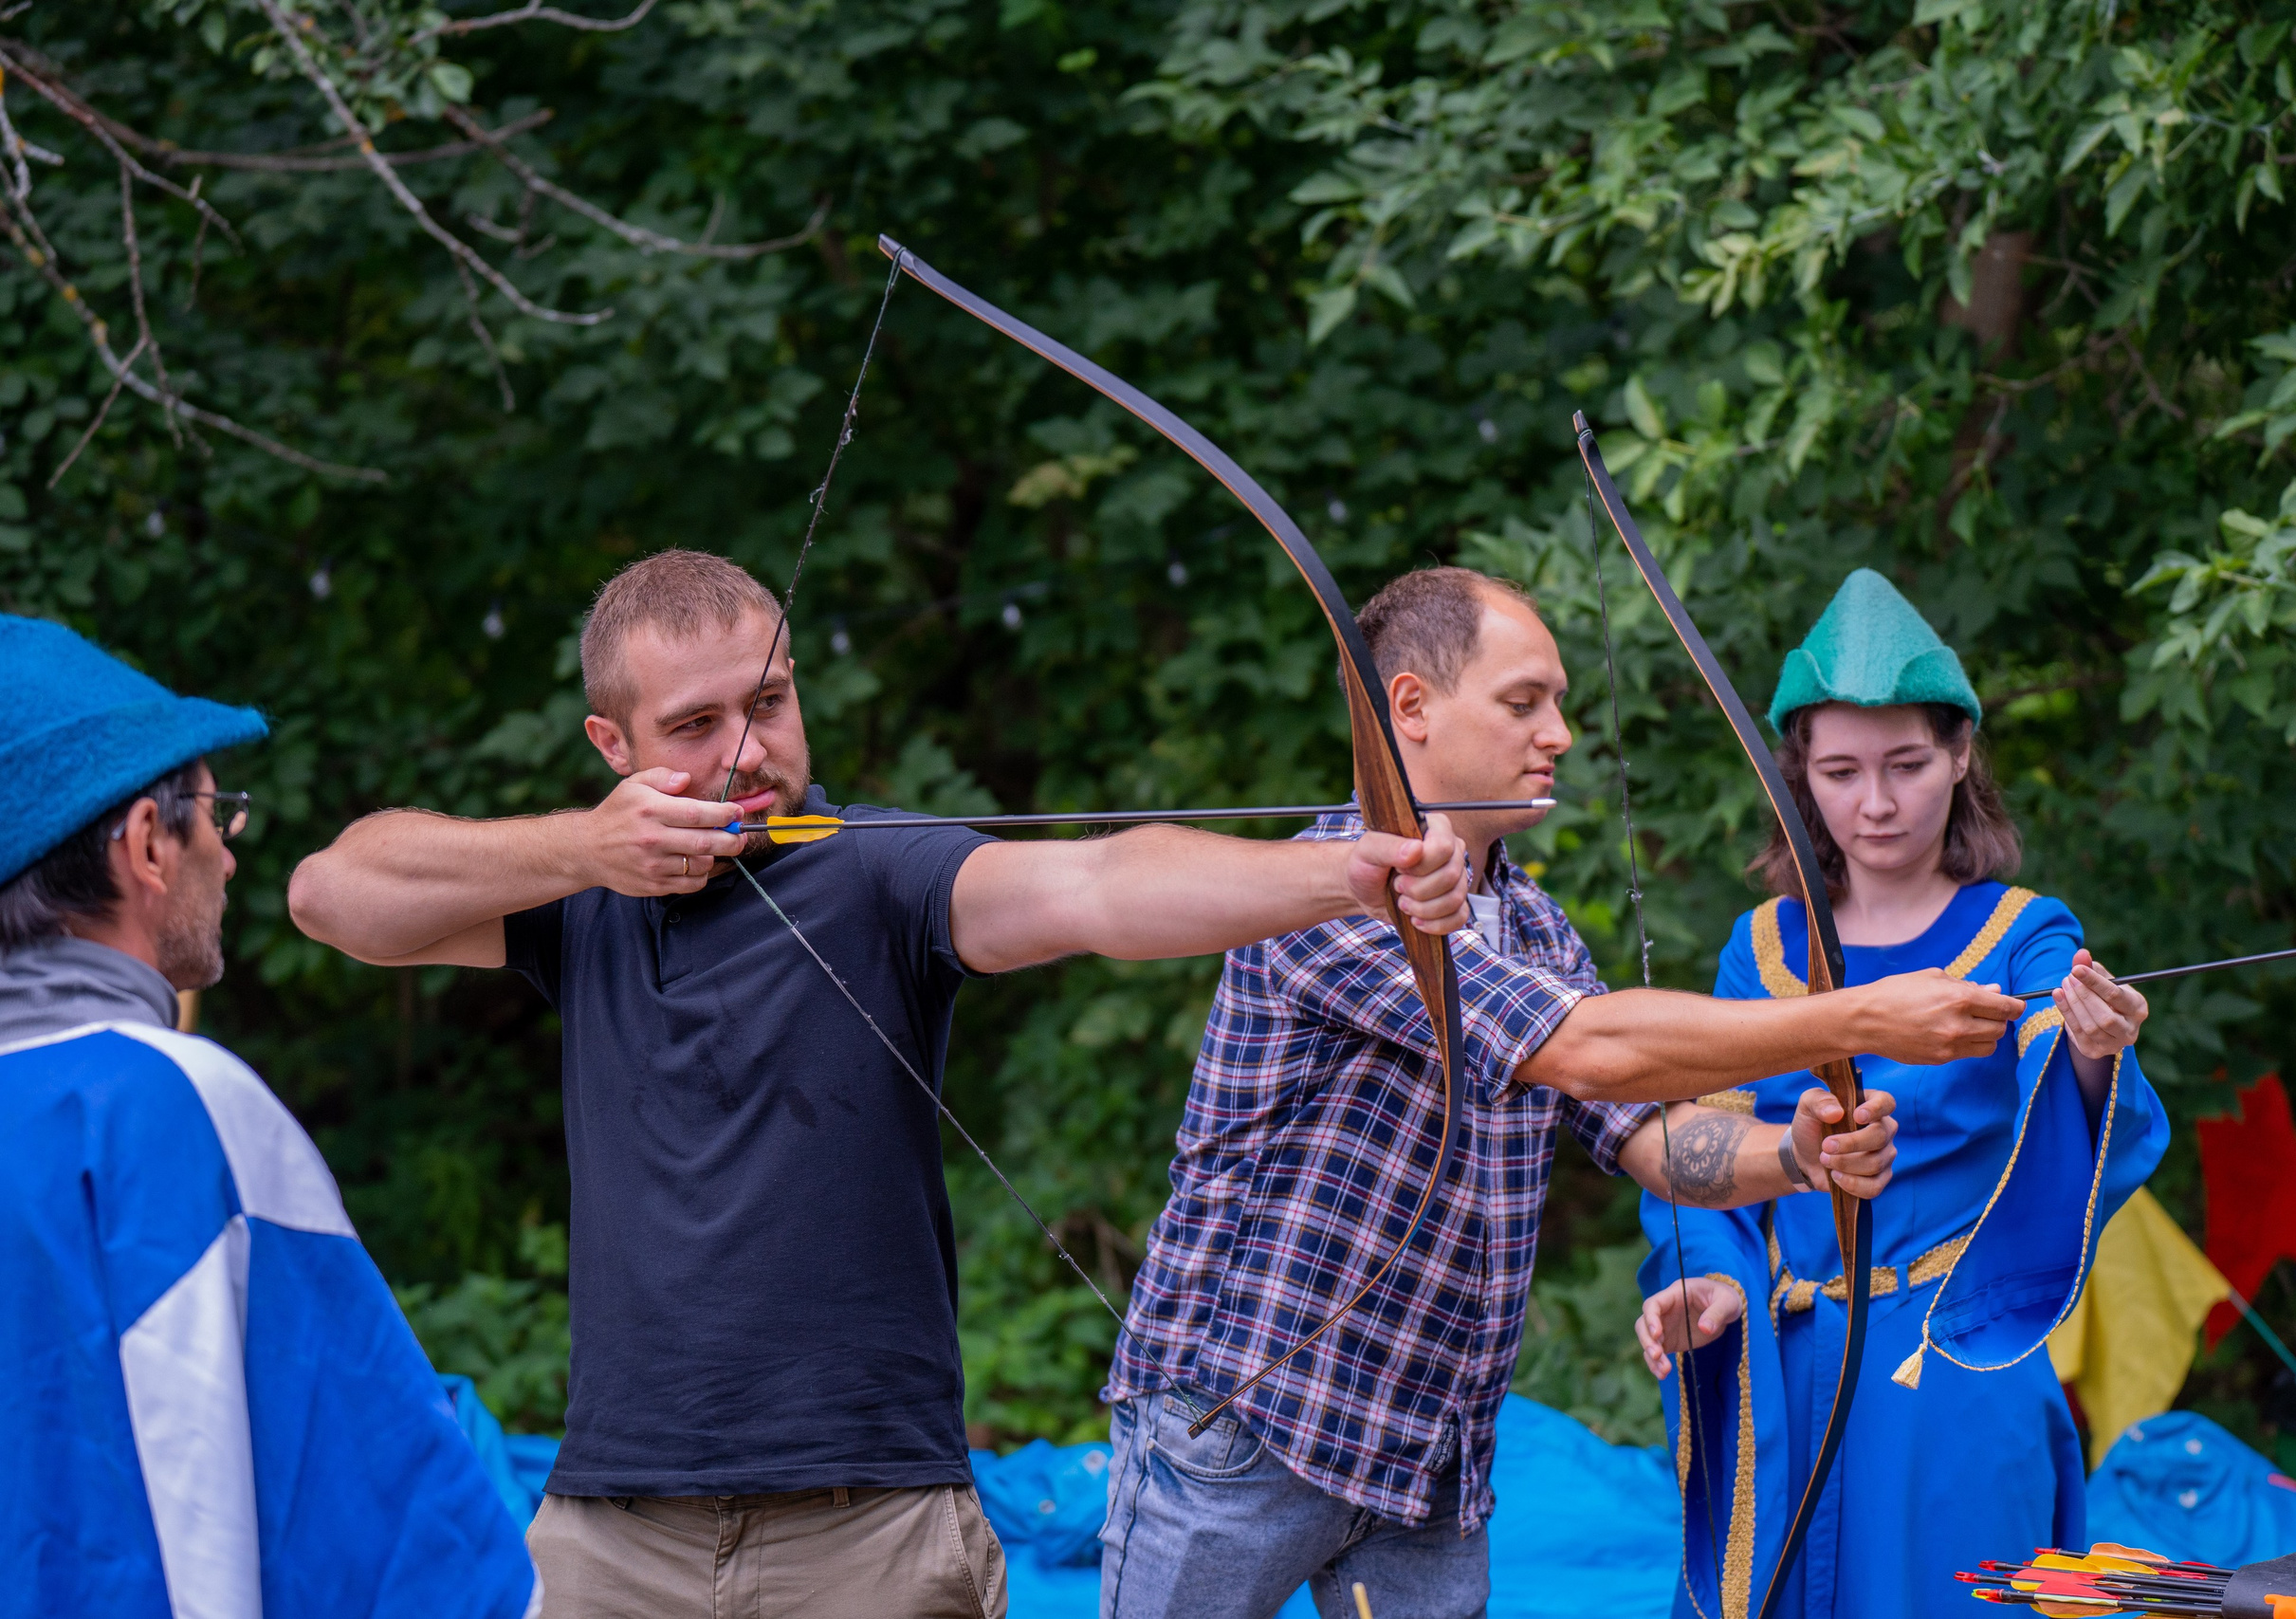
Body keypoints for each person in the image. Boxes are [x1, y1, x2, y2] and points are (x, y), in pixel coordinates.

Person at [284, 548, 1477, 1619]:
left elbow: (1098, 888)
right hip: (613, 1534)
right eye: (693, 726)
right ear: (615, 747)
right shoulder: (582, 900)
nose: (746, 752)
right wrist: (578, 850)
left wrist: (1341, 878)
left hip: (870, 1534)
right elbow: (331, 894)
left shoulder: (880, 874)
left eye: (768, 702)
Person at [1096, 567, 2031, 1619]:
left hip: (1426, 1455)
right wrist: (1856, 1017)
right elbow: (1584, 1051)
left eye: (1561, 703)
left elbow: (1646, 1138)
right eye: (1523, 701)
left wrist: (1795, 1159)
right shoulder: (1329, 896)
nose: (1561, 734)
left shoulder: (1534, 928)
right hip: (1251, 1430)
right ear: (1409, 706)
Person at [1630, 568, 2166, 1619]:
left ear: (1962, 755)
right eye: (1838, 771)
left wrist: (2097, 1047)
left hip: (1952, 1365)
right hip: (1784, 1372)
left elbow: (2068, 1090)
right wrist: (1712, 1282)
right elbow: (1710, 1146)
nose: (1874, 803)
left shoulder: (2021, 931)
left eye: (1908, 764)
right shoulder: (1762, 946)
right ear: (1799, 777)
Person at [0, 615, 539, 1619]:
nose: (232, 857)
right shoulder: (170, 1110)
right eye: (218, 812)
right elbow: (414, 1562)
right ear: (147, 843)